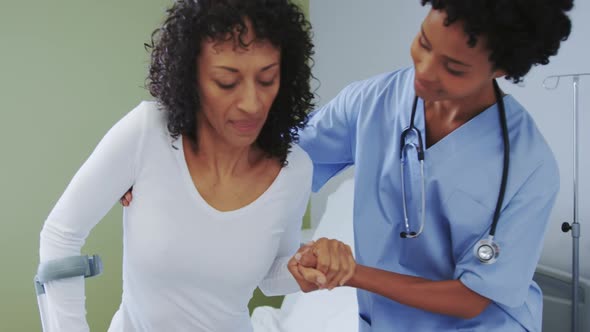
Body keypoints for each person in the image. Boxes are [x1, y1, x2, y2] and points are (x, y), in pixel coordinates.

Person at [38, 1, 353, 331]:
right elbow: (61, 235)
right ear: (191, 76)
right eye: (227, 82)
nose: (252, 103)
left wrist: (303, 266)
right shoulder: (149, 132)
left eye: (266, 79)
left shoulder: (294, 169)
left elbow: (270, 278)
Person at [287, 0, 574, 331]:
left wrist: (351, 272)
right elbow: (282, 160)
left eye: (453, 68)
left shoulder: (529, 166)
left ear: (501, 69)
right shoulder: (372, 102)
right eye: (423, 42)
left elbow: (471, 297)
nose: (423, 71)